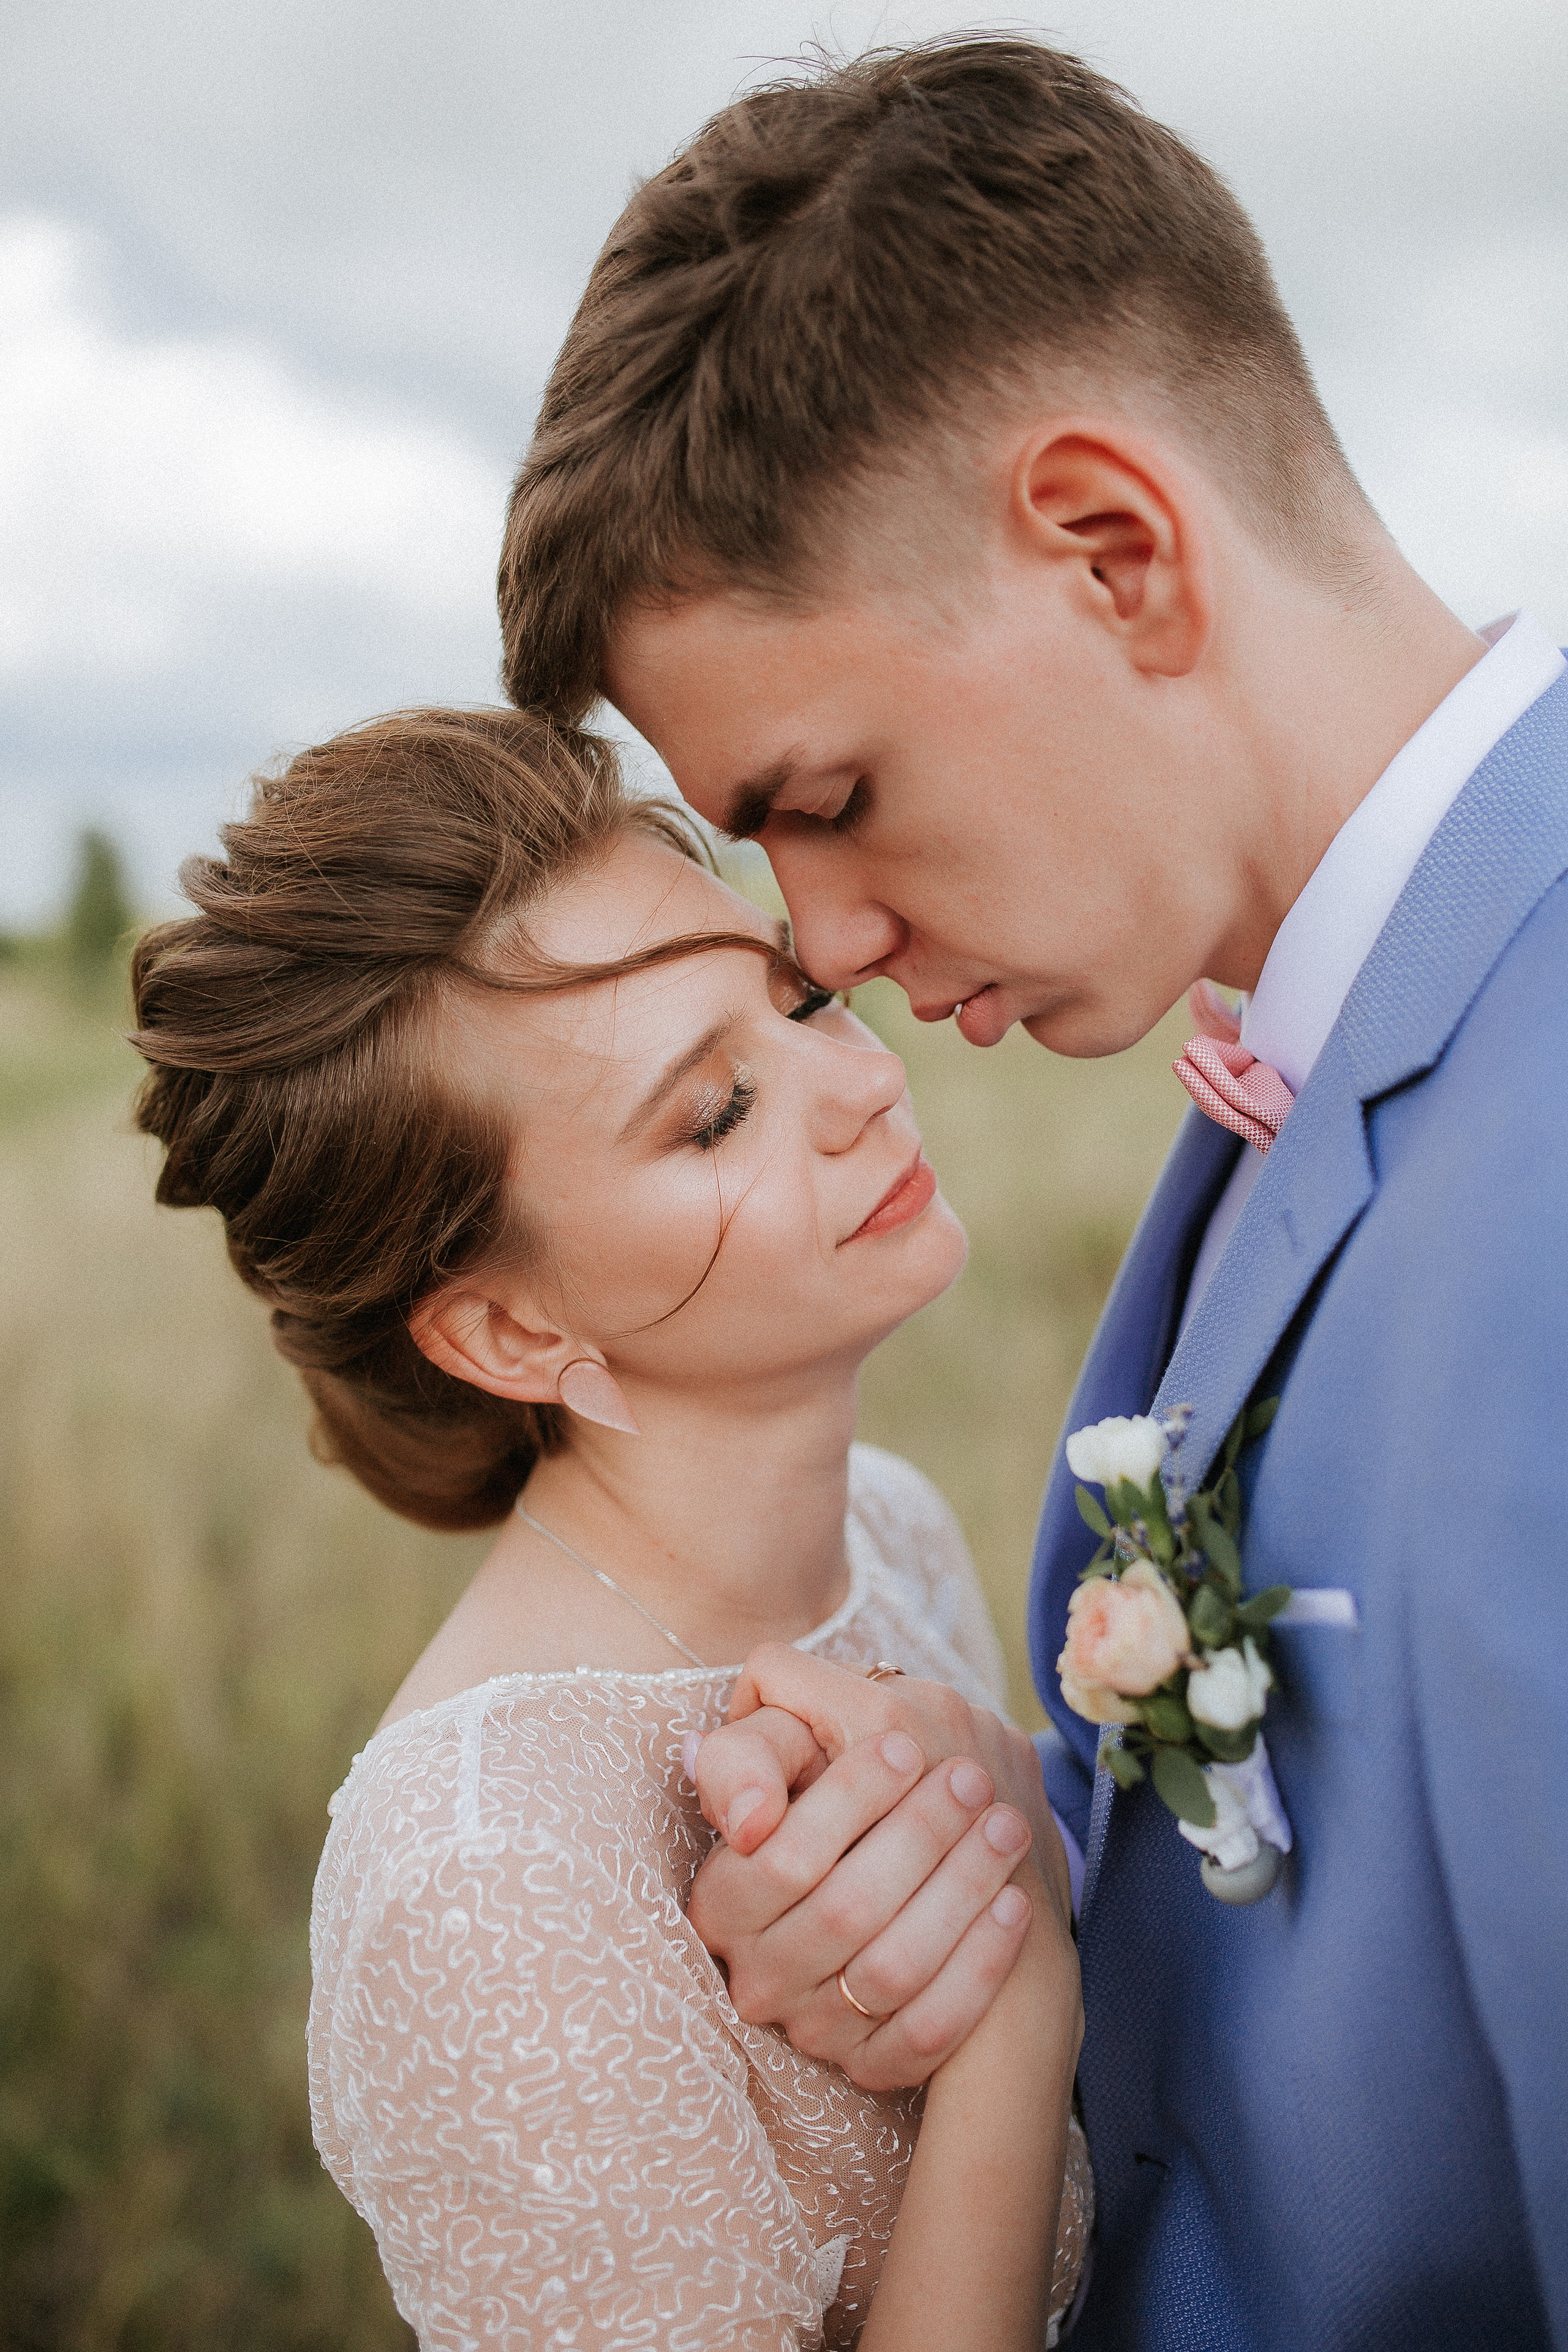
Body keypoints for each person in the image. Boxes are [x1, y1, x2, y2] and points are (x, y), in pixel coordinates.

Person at [496, 34, 1568, 2352]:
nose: (822, 939)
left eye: (829, 795)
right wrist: (1023, 1841)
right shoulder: (1325, 1044)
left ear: (1113, 550)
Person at [129, 706, 1091, 2351]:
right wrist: (1016, 1999)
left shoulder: (895, 1529)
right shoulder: (479, 1875)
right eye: (714, 1115)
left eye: (799, 1000)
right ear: (512, 1333)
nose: (865, 1081)